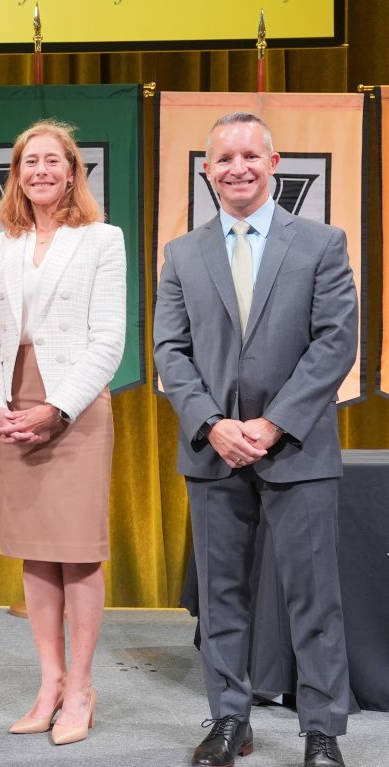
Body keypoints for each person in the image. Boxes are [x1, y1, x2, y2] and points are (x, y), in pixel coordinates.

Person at [154, 112, 356, 767]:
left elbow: (335, 342)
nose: (237, 167)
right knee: (219, 597)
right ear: (207, 170)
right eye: (223, 158)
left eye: (249, 155)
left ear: (273, 163)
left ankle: (321, 729)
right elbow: (170, 350)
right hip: (214, 450)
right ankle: (229, 720)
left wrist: (274, 423)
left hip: (297, 449)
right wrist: (214, 422)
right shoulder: (183, 253)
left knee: (312, 595)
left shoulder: (322, 242)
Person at [0, 119, 126, 746]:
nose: (38, 170)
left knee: (77, 550)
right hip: (15, 398)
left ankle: (82, 689)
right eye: (26, 161)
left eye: (50, 160)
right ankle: (50, 683)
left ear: (71, 172)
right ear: (16, 174)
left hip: (77, 403)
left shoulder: (102, 239)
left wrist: (57, 408)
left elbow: (109, 339)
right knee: (36, 550)